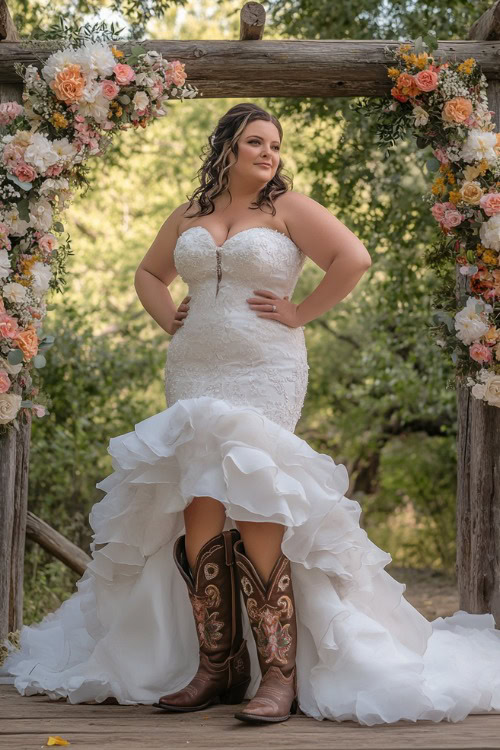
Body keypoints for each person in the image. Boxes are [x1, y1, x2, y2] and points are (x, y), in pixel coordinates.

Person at [3, 102, 500, 726]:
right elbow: (148, 274)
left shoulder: (289, 209)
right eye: (256, 143)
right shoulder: (189, 214)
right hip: (192, 370)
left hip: (265, 371)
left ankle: (279, 675)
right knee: (199, 510)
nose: (269, 154)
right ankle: (219, 665)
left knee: (259, 503)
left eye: (275, 145)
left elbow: (354, 259)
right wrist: (168, 320)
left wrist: (300, 312)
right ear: (228, 148)